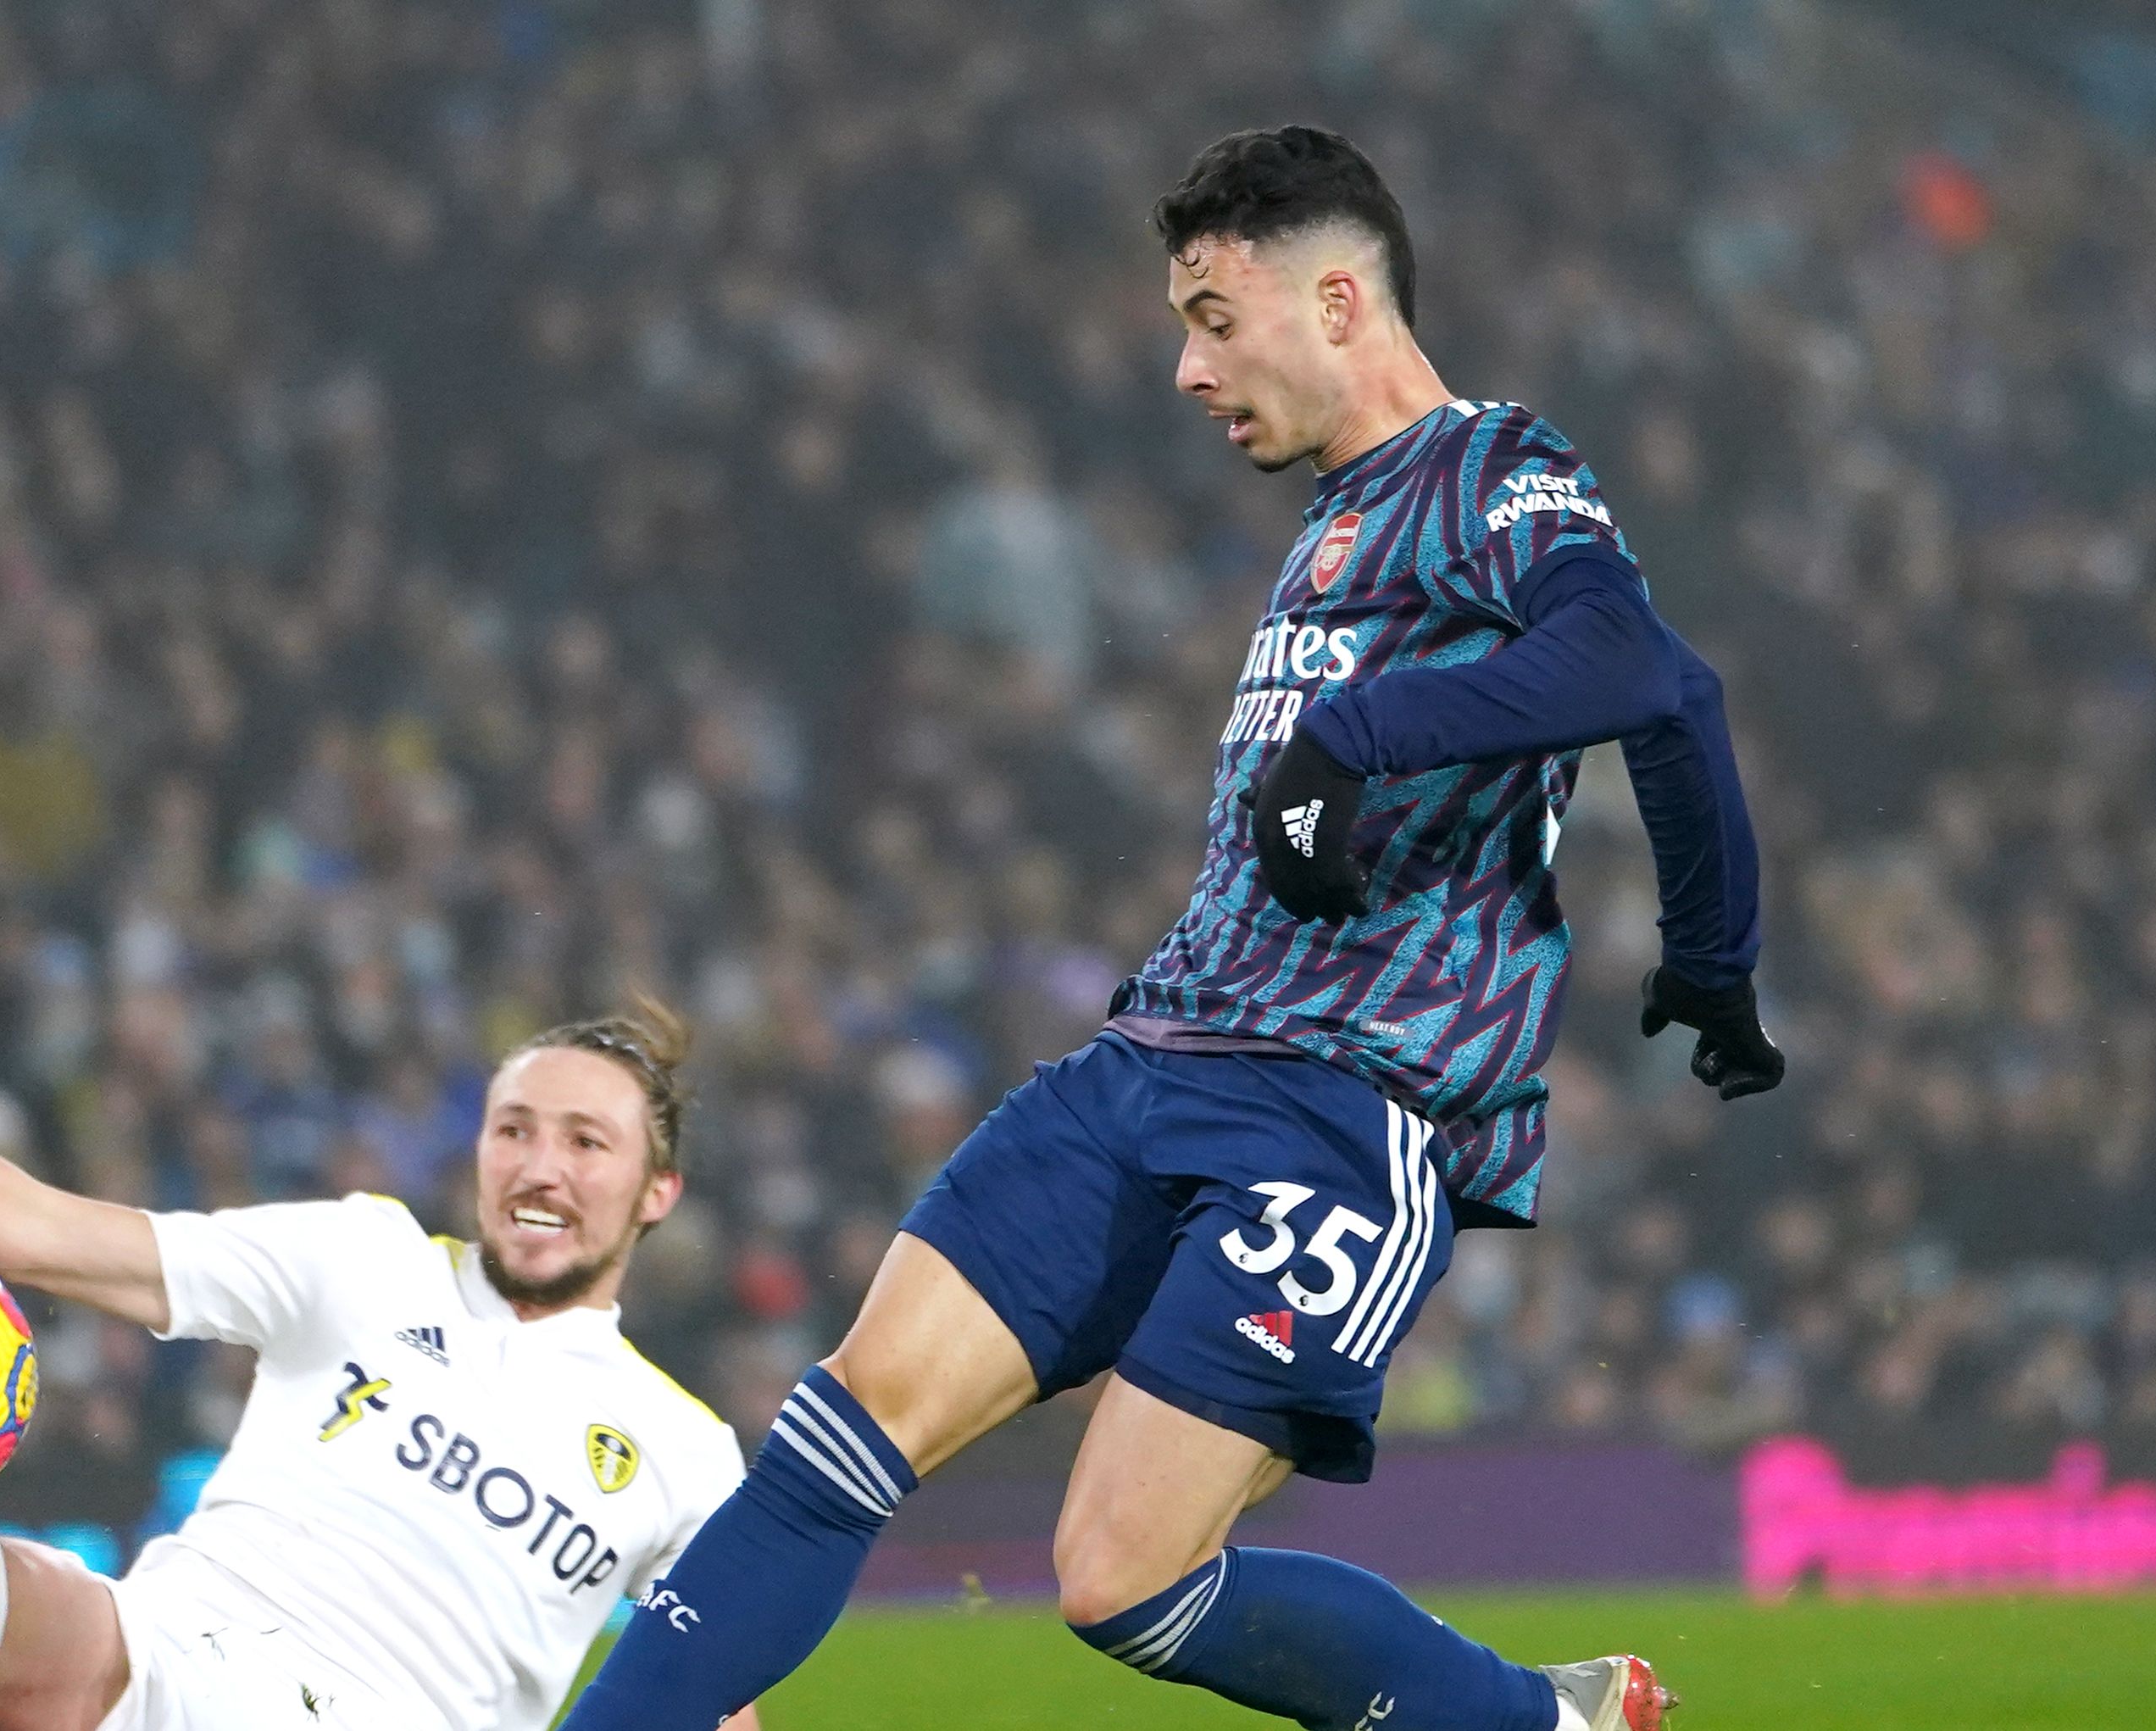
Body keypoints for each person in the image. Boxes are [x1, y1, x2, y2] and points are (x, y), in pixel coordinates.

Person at [558, 125, 1783, 1731]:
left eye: (1212, 317)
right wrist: (1705, 950)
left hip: (1339, 1107)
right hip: (1146, 1060)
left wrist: (1391, 757)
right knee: (833, 1440)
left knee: (1120, 1579)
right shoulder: (1337, 520)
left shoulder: (1493, 468)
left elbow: (1645, 677)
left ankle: (1524, 1720)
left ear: (1337, 301)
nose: (1187, 369)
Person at [0, 974, 758, 1731]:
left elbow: (713, 1699)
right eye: (515, 1128)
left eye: (586, 1141)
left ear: (657, 1190)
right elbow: (31, 1229)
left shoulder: (684, 1451)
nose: (541, 1166)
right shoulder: (362, 1258)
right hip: (170, 1660)